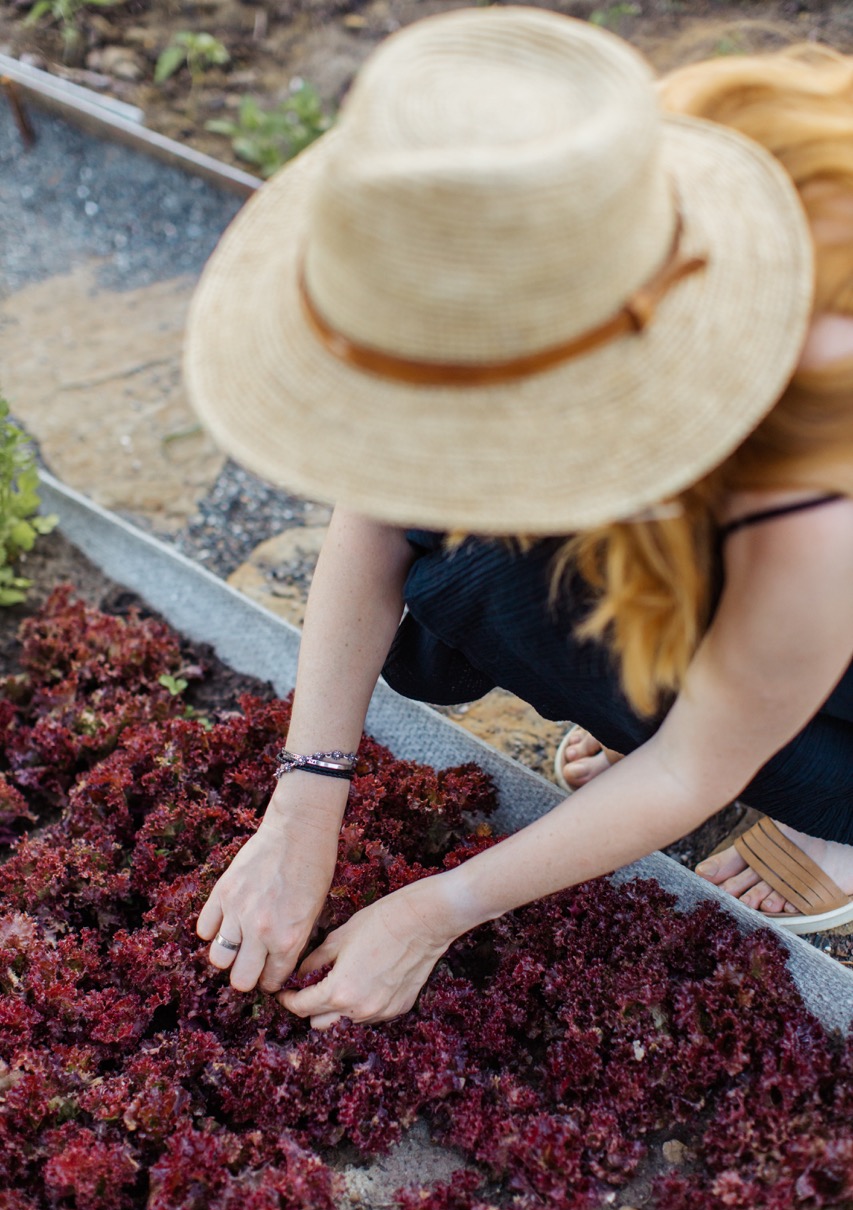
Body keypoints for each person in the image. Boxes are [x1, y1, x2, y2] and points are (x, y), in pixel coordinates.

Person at [184, 7, 853, 1030]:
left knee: (738, 718)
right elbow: (387, 494)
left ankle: (823, 800)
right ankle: (708, 673)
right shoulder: (571, 208)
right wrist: (303, 798)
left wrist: (433, 909)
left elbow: (693, 765)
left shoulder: (813, 465)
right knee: (468, 566)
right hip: (730, 521)